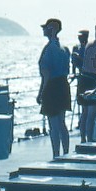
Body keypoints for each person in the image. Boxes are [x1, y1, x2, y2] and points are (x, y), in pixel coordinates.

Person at [36, 18, 71, 158]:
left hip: (52, 87)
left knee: (53, 125)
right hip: (63, 85)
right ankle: (67, 153)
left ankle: (56, 155)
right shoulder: (64, 48)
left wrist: (40, 94)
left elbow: (46, 74)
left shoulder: (48, 49)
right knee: (62, 122)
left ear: (51, 29)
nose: (43, 30)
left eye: (46, 27)